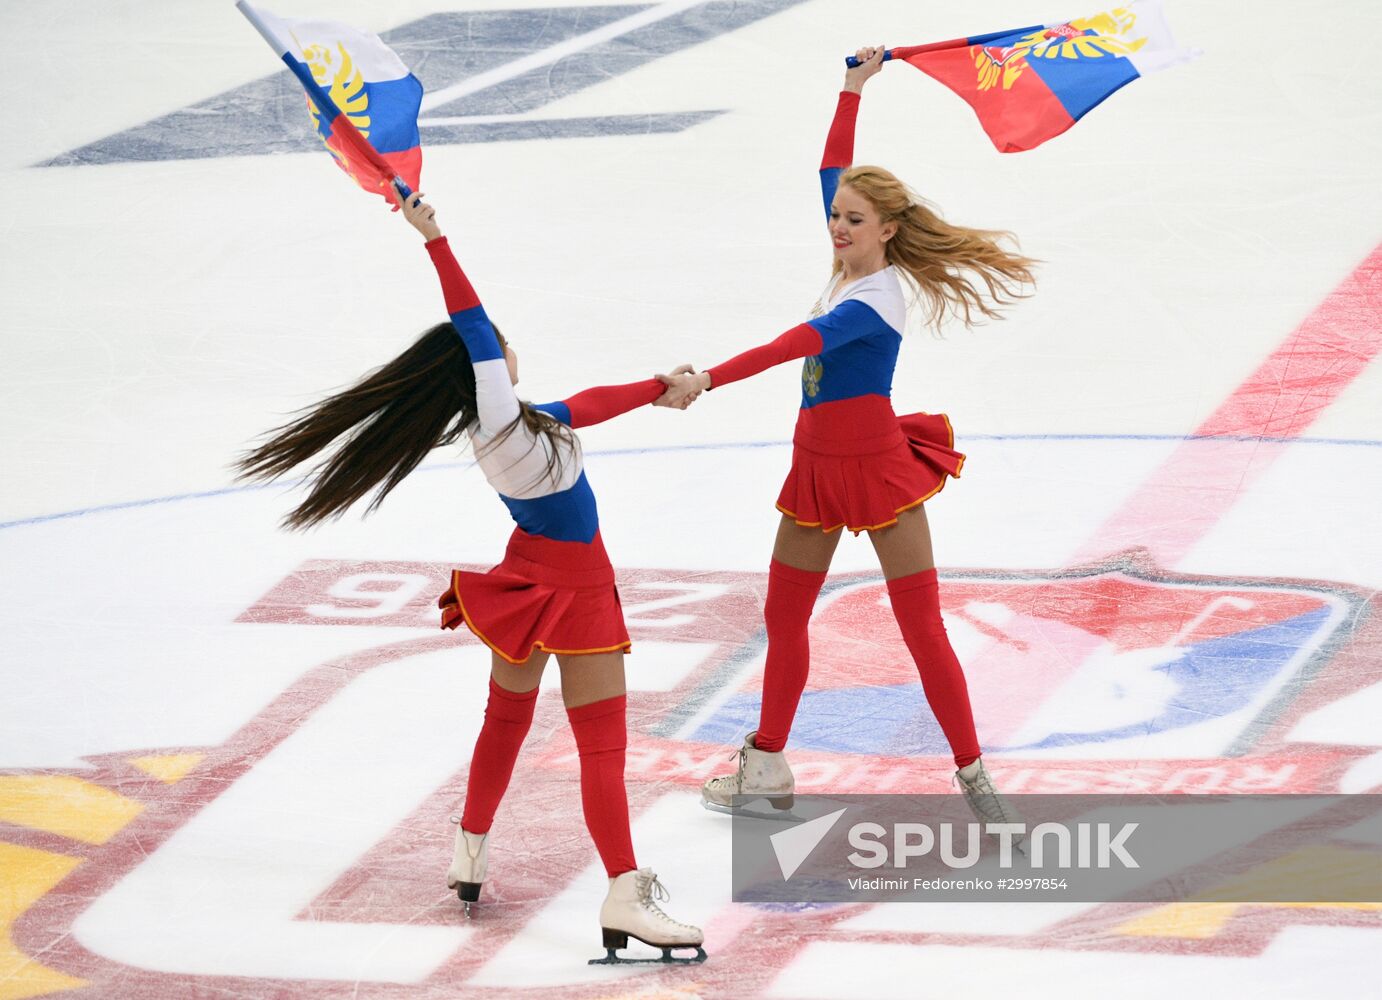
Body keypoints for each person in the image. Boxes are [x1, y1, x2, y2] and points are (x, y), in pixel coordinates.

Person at [236, 188, 705, 965]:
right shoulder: (497, 415)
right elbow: (475, 324)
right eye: (496, 349)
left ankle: (470, 850)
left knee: (506, 721)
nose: (505, 350)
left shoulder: (513, 426)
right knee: (601, 750)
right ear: (480, 370)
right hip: (575, 589)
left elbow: (582, 404)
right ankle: (624, 889)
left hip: (528, 580)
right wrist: (435, 236)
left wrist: (658, 387)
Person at [657, 48, 1036, 830]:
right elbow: (833, 167)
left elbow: (790, 345)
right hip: (816, 466)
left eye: (853, 220)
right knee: (785, 617)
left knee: (920, 626)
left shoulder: (875, 299)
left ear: (887, 230)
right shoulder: (851, 251)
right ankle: (764, 766)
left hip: (876, 468)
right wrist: (851, 88)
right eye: (836, 216)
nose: (836, 226)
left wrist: (706, 381)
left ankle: (974, 777)